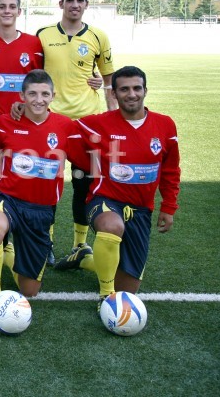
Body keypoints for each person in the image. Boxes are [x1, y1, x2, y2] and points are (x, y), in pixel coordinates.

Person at [54, 66, 180, 312]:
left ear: (145, 90)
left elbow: (170, 170)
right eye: (124, 89)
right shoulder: (98, 123)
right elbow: (60, 129)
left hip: (141, 210)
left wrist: (169, 206)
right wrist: (23, 108)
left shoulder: (165, 126)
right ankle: (105, 297)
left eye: (136, 88)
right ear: (114, 94)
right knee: (113, 228)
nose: (131, 94)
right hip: (105, 201)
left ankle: (85, 259)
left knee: (128, 290)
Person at [0, 70, 85, 310]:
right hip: (8, 198)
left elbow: (84, 158)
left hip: (41, 210)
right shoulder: (4, 123)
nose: (39, 99)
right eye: (32, 94)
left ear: (53, 96)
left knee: (30, 291)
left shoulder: (66, 127)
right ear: (22, 96)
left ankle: (9, 257)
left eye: (44, 94)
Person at [37, 0, 115, 259]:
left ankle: (80, 243)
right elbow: (35, 78)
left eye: (80, 0)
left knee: (83, 183)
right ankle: (45, 242)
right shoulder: (43, 35)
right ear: (61, 3)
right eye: (69, 0)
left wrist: (112, 117)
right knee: (46, 182)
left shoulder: (98, 37)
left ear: (86, 4)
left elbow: (108, 81)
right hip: (52, 121)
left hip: (86, 122)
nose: (75, 5)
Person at [0, 0, 44, 255]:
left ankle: (20, 236)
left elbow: (40, 84)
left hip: (24, 123)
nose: (6, 11)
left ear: (19, 11)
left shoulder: (33, 45)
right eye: (1, 6)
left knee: (23, 177)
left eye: (11, 6)